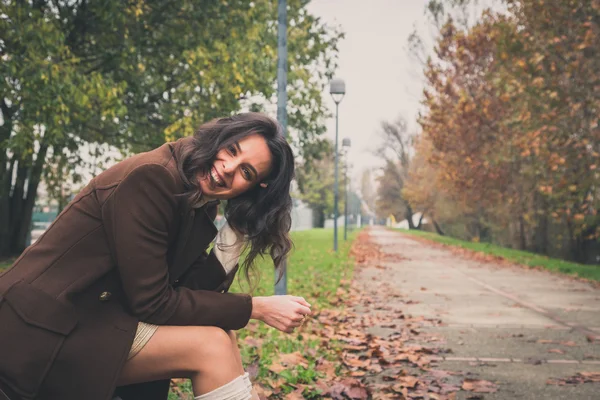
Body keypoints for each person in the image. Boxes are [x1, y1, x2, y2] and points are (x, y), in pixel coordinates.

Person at [0, 113, 311, 400]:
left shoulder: (195, 197)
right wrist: (255, 307)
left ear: (256, 188)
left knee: (220, 333)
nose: (228, 168)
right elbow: (154, 303)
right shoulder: (154, 178)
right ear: (220, 138)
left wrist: (240, 226)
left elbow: (190, 289)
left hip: (92, 316)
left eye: (246, 171)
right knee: (211, 347)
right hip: (38, 330)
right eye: (232, 150)